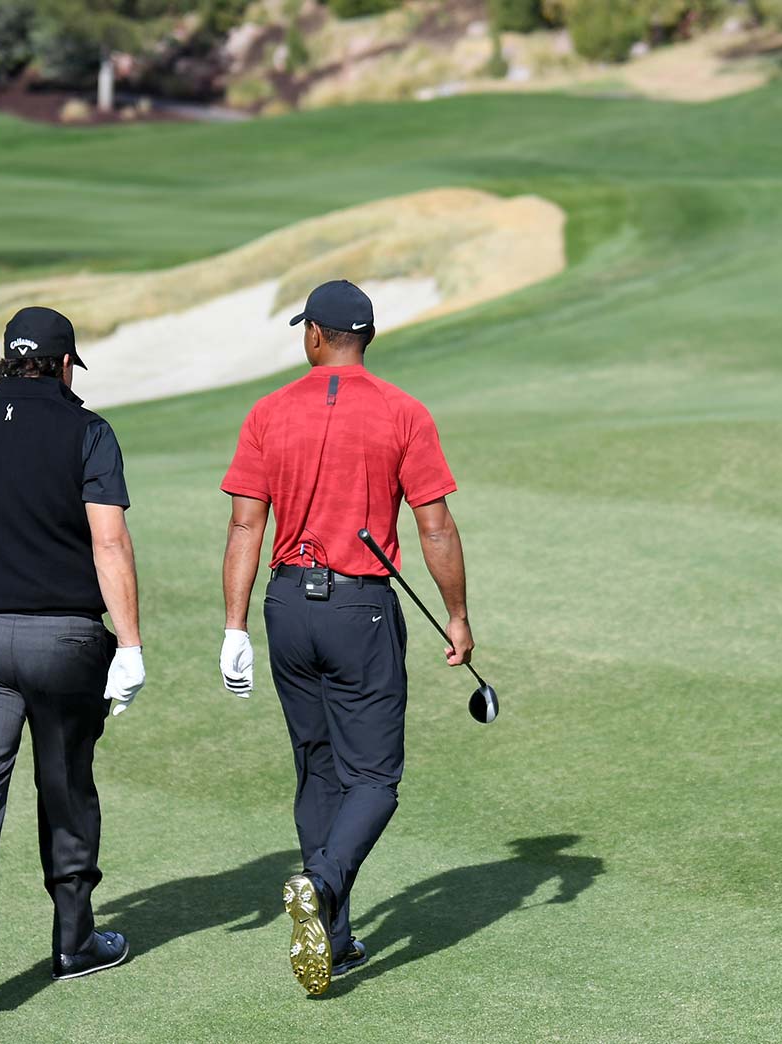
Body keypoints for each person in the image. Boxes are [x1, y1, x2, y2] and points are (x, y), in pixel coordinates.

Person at [217, 279, 474, 995]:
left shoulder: (268, 411)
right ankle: (322, 885)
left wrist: (234, 627)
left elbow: (246, 525)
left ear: (317, 336)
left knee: (318, 768)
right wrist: (457, 615)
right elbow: (435, 526)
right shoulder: (404, 412)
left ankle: (332, 937)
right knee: (375, 780)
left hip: (285, 606)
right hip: (359, 611)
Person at [0, 306, 146, 1029]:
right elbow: (108, 545)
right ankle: (74, 943)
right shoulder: (88, 431)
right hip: (65, 642)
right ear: (66, 364)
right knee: (65, 782)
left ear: (5, 363)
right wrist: (131, 645)